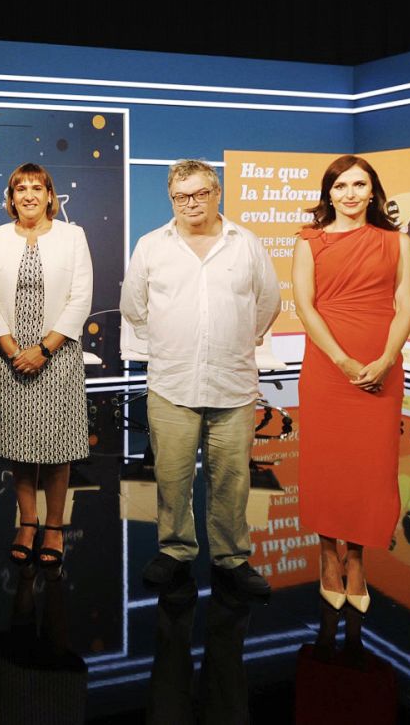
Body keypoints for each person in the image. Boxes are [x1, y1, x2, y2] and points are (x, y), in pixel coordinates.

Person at [121, 159, 279, 599]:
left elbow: (268, 304)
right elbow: (134, 309)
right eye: (180, 196)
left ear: (217, 193)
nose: (190, 203)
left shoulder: (246, 244)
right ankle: (175, 551)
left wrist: (232, 339)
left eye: (199, 194)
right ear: (171, 198)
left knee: (232, 478)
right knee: (171, 477)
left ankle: (231, 557)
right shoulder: (151, 246)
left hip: (233, 383)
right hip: (171, 383)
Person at [291, 154, 410, 647]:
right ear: (329, 192)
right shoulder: (309, 240)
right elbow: (305, 306)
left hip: (381, 364)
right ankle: (327, 554)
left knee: (372, 465)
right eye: (340, 185)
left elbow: (406, 303)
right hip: (327, 366)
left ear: (372, 191)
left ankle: (358, 559)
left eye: (359, 184)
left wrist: (386, 358)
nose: (349, 193)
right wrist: (342, 361)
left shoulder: (396, 241)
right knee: (327, 463)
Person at [0, 162, 93, 567]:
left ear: (48, 195)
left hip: (57, 356)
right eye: (20, 188)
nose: (28, 195)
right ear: (11, 198)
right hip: (9, 357)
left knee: (58, 448)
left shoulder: (73, 236)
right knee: (20, 447)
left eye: (36, 187)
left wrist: (43, 349)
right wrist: (12, 350)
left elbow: (81, 297)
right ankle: (27, 522)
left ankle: (55, 527)